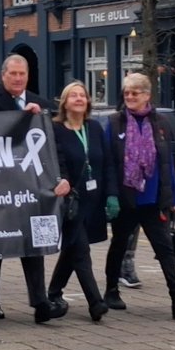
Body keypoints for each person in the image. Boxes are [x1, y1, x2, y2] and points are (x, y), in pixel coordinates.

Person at [103, 73, 175, 319]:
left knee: (165, 248)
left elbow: (167, 162)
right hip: (126, 198)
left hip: (152, 199)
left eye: (135, 93)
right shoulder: (115, 122)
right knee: (118, 245)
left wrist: (174, 198)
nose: (129, 97)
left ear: (147, 95)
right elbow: (108, 163)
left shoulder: (160, 123)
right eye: (126, 92)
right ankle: (111, 290)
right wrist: (111, 196)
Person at [0, 54, 60, 322]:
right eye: (13, 74)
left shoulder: (42, 104)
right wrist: (21, 118)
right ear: (3, 75)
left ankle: (39, 301)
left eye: (22, 74)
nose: (18, 78)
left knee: (32, 242)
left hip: (29, 188)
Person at [47, 82, 116, 322]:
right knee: (81, 250)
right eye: (72, 95)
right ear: (64, 103)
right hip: (71, 202)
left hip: (93, 201)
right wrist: (63, 181)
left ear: (87, 101)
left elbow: (106, 163)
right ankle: (95, 302)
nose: (78, 99)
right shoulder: (56, 129)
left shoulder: (95, 128)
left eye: (82, 95)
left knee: (73, 249)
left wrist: (111, 194)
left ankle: (53, 292)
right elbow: (56, 162)